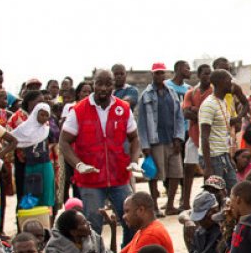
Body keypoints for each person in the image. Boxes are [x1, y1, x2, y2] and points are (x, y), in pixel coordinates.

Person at [58, 69, 140, 241]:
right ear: (93, 84)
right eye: (99, 84)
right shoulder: (78, 110)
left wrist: (133, 161)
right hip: (90, 180)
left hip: (119, 176)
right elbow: (64, 142)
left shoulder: (123, 108)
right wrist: (78, 164)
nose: (103, 88)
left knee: (131, 221)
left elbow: (134, 138)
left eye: (108, 84)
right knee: (92, 225)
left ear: (113, 85)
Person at [137, 62, 185, 215]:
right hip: (155, 141)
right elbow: (142, 122)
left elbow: (179, 116)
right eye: (157, 73)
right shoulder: (146, 95)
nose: (160, 75)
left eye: (162, 73)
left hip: (172, 140)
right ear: (152, 74)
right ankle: (155, 207)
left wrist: (178, 137)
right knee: (153, 174)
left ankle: (170, 205)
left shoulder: (171, 93)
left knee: (176, 173)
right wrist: (145, 145)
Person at [107, 192, 175, 253]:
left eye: (127, 211)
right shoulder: (143, 231)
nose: (123, 216)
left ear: (141, 210)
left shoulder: (151, 234)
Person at [198, 68, 238, 191]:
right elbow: (204, 137)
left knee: (233, 190)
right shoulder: (209, 104)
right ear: (220, 82)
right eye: (229, 80)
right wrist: (208, 166)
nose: (231, 83)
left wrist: (229, 157)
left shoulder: (223, 102)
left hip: (223, 155)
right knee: (215, 194)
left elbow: (224, 131)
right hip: (213, 158)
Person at [181, 64, 212, 210]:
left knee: (208, 169)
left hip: (210, 137)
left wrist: (195, 110)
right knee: (188, 168)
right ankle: (185, 202)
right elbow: (186, 113)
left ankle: (207, 201)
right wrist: (202, 113)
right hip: (194, 135)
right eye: (205, 73)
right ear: (199, 75)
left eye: (209, 73)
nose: (208, 76)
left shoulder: (214, 92)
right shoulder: (191, 92)